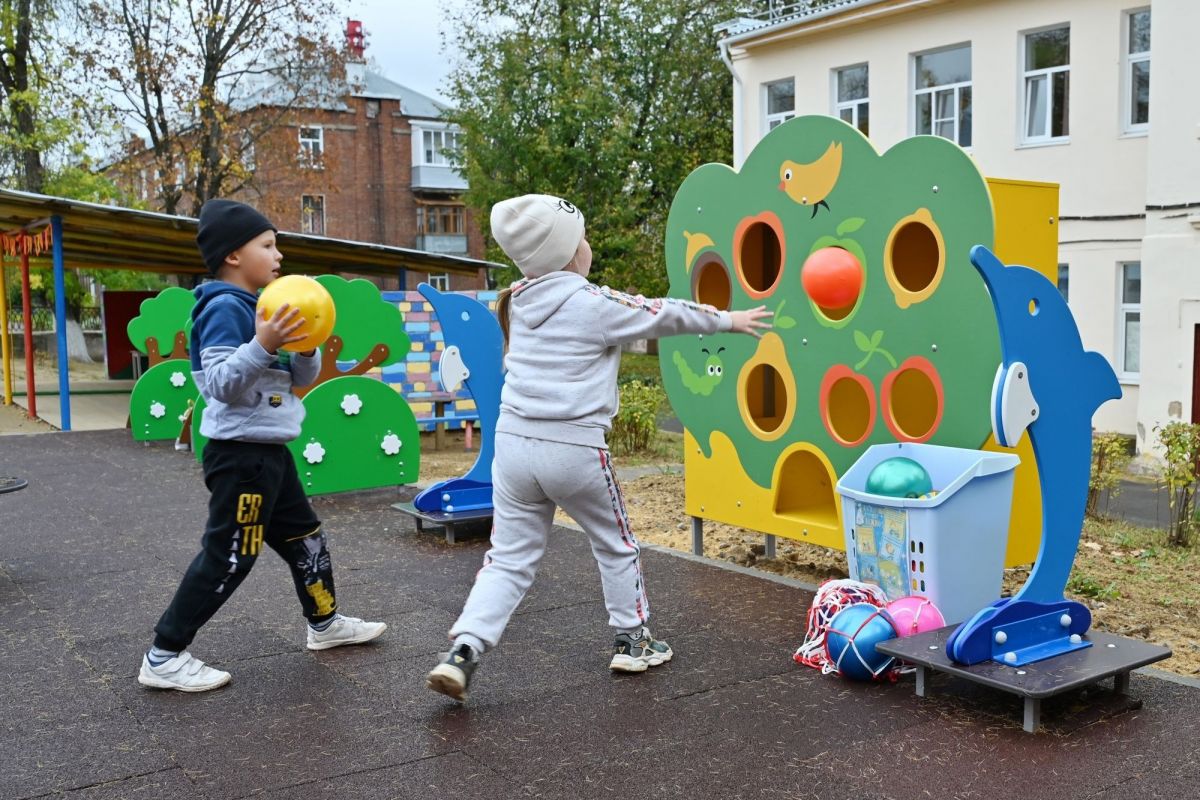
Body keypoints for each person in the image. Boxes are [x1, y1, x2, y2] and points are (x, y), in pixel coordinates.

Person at [426, 194, 771, 702]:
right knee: (616, 543)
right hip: (573, 448)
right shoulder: (592, 302)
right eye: (582, 238)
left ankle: (464, 650)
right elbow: (662, 314)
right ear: (570, 254)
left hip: (515, 449)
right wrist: (728, 320)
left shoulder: (517, 302)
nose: (588, 246)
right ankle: (633, 640)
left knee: (508, 559)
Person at [138, 200, 386, 692]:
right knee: (232, 554)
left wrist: (307, 347)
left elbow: (298, 379)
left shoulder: (265, 309)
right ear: (233, 255)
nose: (278, 255)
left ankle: (325, 623)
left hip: (271, 452)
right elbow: (220, 384)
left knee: (306, 541)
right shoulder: (224, 308)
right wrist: (264, 342)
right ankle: (164, 653)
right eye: (268, 245)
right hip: (240, 456)